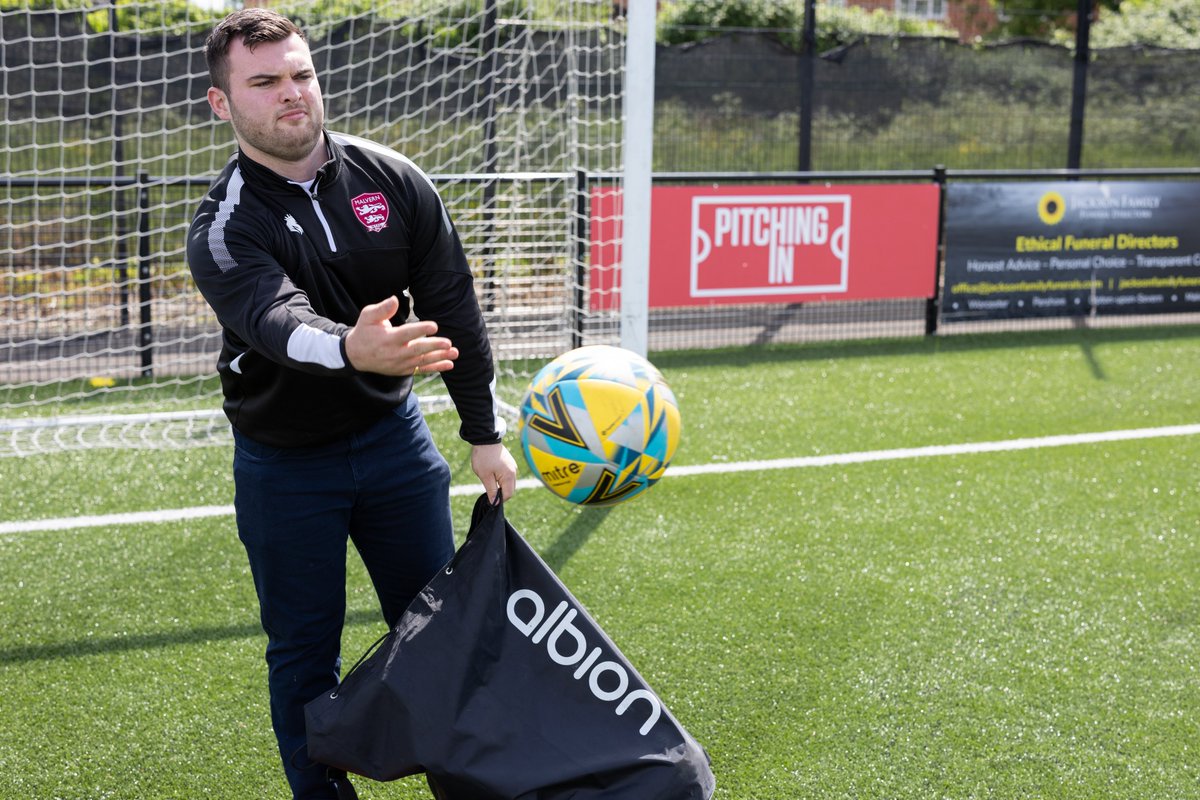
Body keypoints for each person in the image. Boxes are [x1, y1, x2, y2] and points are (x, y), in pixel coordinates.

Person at [186, 9, 518, 799]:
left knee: (441, 635)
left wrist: (483, 433)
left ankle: (471, 791)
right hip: (285, 465)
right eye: (263, 82)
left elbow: (454, 309)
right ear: (222, 104)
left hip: (394, 444)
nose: (290, 94)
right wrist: (348, 348)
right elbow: (276, 322)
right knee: (305, 654)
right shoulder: (224, 226)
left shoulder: (394, 179)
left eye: (300, 75)